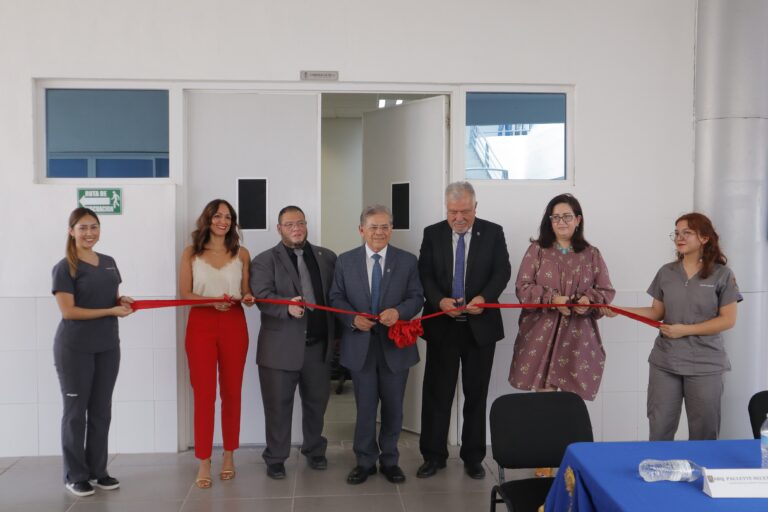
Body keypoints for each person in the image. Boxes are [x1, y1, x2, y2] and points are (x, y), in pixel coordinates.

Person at [603, 212, 740, 440]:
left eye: (687, 232)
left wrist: (684, 330)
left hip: (706, 364)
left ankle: (700, 474)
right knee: (659, 428)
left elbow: (728, 319)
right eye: (676, 233)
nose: (680, 237)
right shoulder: (666, 272)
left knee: (704, 432)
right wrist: (619, 310)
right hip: (665, 362)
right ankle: (658, 472)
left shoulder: (722, 274)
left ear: (704, 238)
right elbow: (657, 312)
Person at [417, 181, 511, 480]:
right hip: (443, 327)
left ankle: (473, 457)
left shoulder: (493, 232)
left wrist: (485, 298)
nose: (459, 217)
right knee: (437, 395)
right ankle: (433, 456)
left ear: (475, 208)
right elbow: (425, 273)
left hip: (479, 328)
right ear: (446, 209)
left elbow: (502, 270)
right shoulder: (432, 233)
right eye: (453, 211)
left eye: (465, 211)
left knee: (476, 394)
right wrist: (439, 300)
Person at [329, 205, 423, 485]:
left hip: (396, 347)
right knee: (366, 408)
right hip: (360, 347)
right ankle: (365, 461)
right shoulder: (345, 261)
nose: (379, 232)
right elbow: (335, 298)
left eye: (385, 227)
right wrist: (352, 319)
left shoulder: (407, 261)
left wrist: (400, 312)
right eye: (373, 227)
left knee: (394, 408)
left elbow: (417, 297)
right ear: (361, 230)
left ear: (391, 229)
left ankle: (390, 460)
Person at [250, 205, 337, 479]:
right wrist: (284, 307)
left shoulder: (326, 257)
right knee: (278, 407)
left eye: (300, 222)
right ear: (279, 229)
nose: (296, 228)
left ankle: (314, 450)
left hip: (318, 348)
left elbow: (335, 297)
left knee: (316, 404)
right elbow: (262, 296)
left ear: (306, 225)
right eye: (289, 224)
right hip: (279, 349)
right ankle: (276, 457)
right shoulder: (265, 260)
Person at [52, 207, 134, 497]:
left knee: (101, 411)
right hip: (75, 348)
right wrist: (111, 310)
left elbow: (108, 297)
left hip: (108, 346)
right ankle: (75, 475)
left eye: (94, 227)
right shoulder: (65, 267)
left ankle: (99, 471)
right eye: (83, 227)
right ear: (71, 231)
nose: (89, 233)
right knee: (76, 413)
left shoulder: (109, 262)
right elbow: (69, 311)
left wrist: (120, 300)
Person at [509, 193, 615, 401]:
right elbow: (522, 287)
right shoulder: (537, 250)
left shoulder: (591, 254)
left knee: (570, 404)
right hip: (541, 334)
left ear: (578, 219)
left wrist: (587, 301)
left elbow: (606, 290)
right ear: (549, 221)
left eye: (567, 216)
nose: (561, 222)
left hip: (578, 338)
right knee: (545, 404)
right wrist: (553, 299)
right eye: (555, 217)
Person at [179, 199, 254, 488]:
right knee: (204, 395)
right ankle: (203, 460)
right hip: (200, 325)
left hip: (234, 323)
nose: (223, 221)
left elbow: (246, 293)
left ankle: (229, 456)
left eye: (228, 216)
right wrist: (211, 301)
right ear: (207, 219)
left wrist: (248, 298)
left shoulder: (242, 253)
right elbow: (184, 294)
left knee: (232, 392)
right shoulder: (191, 253)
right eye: (218, 215)